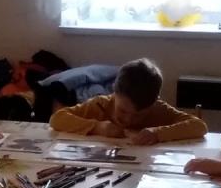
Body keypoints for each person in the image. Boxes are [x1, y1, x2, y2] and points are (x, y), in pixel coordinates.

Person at [49, 58, 207, 145]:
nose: (129, 120)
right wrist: (97, 127)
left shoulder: (158, 109)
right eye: (123, 111)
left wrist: (157, 133)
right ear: (114, 92)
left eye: (139, 115)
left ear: (153, 103)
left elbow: (199, 126)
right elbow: (57, 119)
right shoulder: (101, 105)